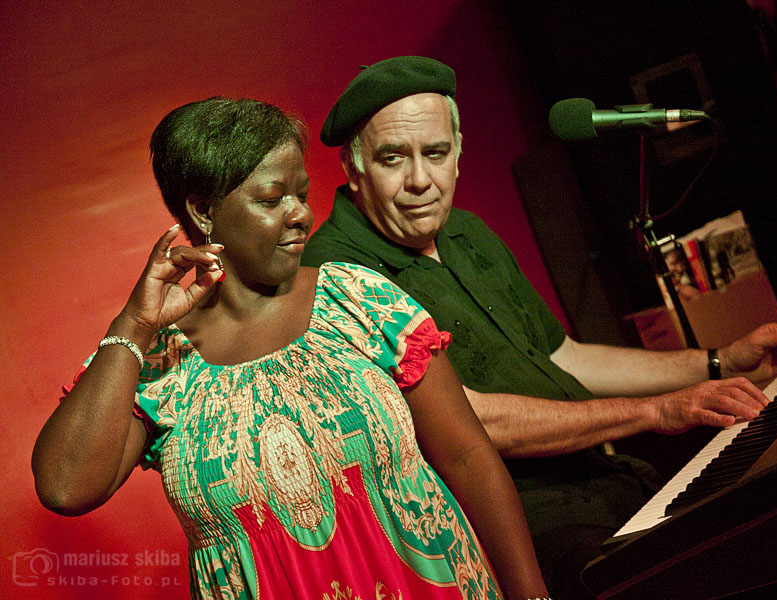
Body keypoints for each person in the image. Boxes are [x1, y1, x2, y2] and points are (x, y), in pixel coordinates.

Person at [299, 56, 777, 598]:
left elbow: (566, 357)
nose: (420, 180)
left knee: (770, 543)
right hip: (526, 530)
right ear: (354, 169)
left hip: (606, 481)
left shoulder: (466, 232)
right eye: (392, 158)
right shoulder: (335, 274)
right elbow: (471, 422)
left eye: (435, 153)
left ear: (458, 153)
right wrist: (654, 411)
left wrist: (718, 360)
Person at [32, 97, 550, 600]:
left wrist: (531, 595)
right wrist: (135, 324)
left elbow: (467, 457)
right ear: (204, 211)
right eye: (271, 198)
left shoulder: (357, 298)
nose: (300, 213)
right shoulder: (161, 361)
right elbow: (65, 487)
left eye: (301, 193)